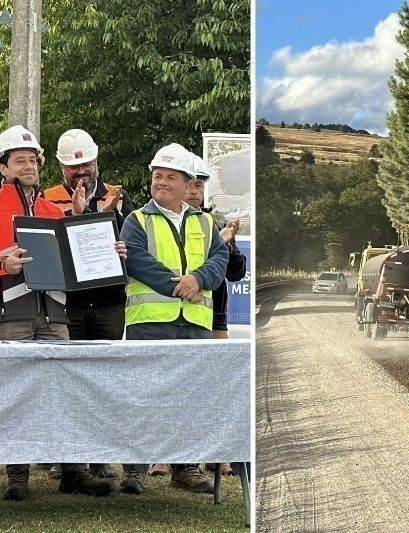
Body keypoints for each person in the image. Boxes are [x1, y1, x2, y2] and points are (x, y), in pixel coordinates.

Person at [0, 124, 120, 501]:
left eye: (33, 159)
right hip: (7, 318)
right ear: (2, 166)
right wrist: (0, 263)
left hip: (56, 318)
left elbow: (78, 264)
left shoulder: (51, 210)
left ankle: (73, 472)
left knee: (65, 394)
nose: (28, 166)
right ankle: (17, 476)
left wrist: (106, 249)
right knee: (15, 396)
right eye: (19, 160)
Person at [121, 143, 228, 494]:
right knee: (142, 396)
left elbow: (218, 260)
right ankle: (134, 470)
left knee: (189, 397)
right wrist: (182, 286)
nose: (161, 182)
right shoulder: (136, 220)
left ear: (187, 184)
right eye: (157, 176)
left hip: (194, 324)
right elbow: (137, 261)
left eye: (170, 177)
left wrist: (199, 279)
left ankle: (186, 467)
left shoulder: (206, 221)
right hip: (150, 322)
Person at [43, 128, 136, 487]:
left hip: (110, 300)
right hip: (69, 302)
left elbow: (131, 241)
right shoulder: (49, 199)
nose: (80, 174)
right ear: (61, 168)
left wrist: (115, 229)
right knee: (67, 380)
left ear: (96, 161)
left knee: (102, 381)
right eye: (72, 169)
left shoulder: (118, 197)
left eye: (85, 166)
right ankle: (66, 460)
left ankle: (98, 458)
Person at [184, 153, 247, 478]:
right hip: (179, 313)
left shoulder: (216, 222)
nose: (196, 191)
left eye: (200, 185)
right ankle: (168, 458)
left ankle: (218, 454)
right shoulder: (172, 223)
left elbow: (235, 273)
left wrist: (230, 245)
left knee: (216, 386)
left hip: (214, 315)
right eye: (191, 184)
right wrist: (219, 245)